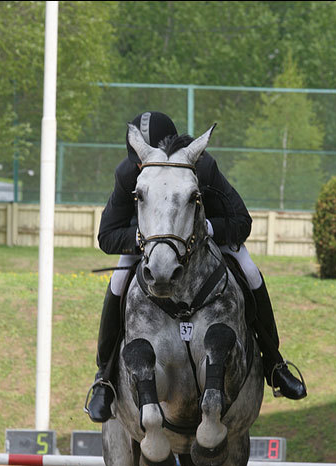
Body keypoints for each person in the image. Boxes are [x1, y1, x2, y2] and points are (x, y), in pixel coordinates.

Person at [85, 111, 307, 423]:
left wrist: (202, 232)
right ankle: (105, 378)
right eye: (140, 162)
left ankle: (274, 363)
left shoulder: (203, 166)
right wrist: (146, 239)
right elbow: (107, 237)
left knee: (251, 271)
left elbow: (241, 222)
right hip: (151, 247)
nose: (142, 167)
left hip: (205, 240)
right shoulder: (128, 174)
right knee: (118, 283)